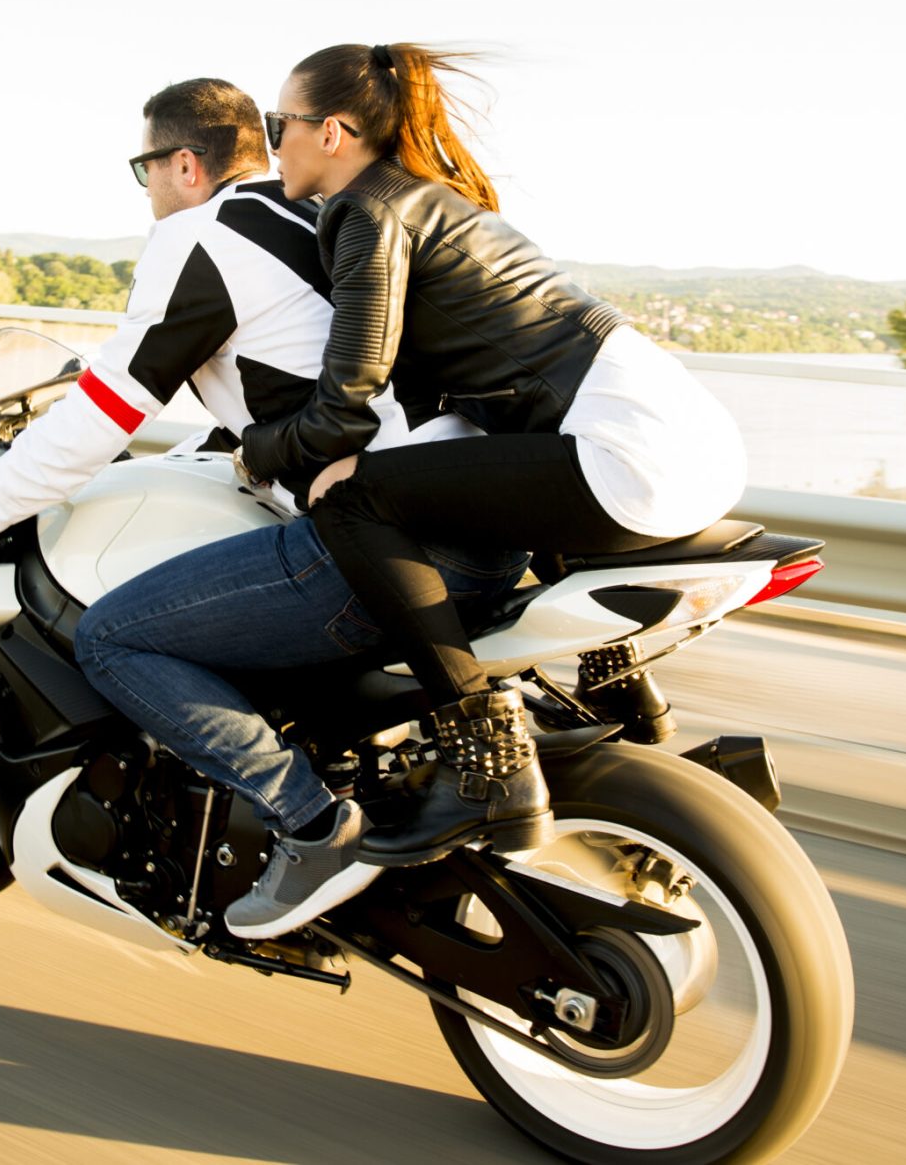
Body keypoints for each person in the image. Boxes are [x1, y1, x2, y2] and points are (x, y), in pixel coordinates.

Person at [0, 76, 526, 940]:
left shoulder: (200, 237)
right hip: (484, 503)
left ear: (188, 165)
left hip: (387, 535)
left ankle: (314, 828)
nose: (151, 191)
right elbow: (287, 381)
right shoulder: (329, 215)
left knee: (117, 637)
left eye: (146, 169)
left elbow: (101, 415)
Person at [237, 42, 748, 866]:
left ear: (331, 133)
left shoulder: (368, 211)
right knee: (472, 497)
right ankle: (640, 731)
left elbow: (344, 404)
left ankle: (487, 760)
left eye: (279, 124)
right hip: (683, 435)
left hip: (627, 454)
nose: (273, 143)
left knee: (352, 498)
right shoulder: (432, 203)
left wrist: (258, 451)